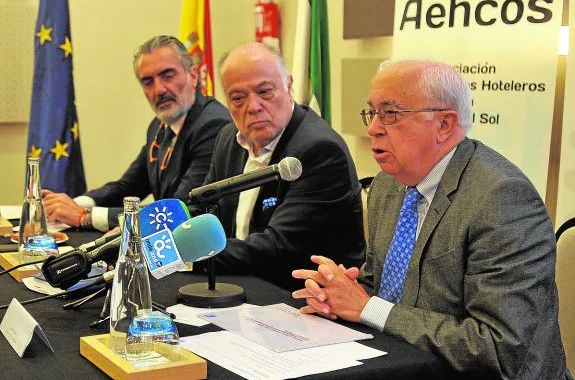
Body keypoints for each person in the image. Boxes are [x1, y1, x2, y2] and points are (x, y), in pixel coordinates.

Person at [292, 60, 571, 380]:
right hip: (402, 364)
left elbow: (496, 348)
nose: (373, 128)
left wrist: (367, 307)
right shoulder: (389, 184)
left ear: (445, 124)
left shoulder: (502, 200)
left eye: (390, 113)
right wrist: (338, 294)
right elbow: (383, 289)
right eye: (372, 112)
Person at [191, 42, 365, 290]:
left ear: (288, 86)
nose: (253, 107)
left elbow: (278, 248)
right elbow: (205, 208)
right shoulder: (229, 138)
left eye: (264, 92)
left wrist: (188, 257)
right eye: (238, 98)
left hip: (300, 300)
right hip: (239, 284)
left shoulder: (319, 150)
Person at [42, 35, 231, 231]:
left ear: (193, 76)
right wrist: (76, 204)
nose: (159, 89)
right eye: (148, 81)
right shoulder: (159, 126)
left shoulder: (213, 125)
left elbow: (178, 210)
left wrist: (84, 216)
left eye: (168, 75)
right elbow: (128, 187)